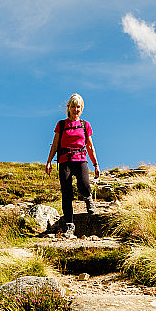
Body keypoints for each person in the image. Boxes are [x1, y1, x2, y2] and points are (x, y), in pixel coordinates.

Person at [45, 93, 100, 238]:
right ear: (68, 107)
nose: (76, 109)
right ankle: (70, 226)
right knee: (67, 193)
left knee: (84, 185)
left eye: (78, 107)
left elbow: (90, 146)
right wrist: (49, 161)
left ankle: (88, 199)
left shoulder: (85, 125)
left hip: (81, 159)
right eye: (73, 106)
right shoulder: (61, 124)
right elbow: (55, 144)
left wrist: (95, 164)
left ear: (81, 109)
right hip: (64, 161)